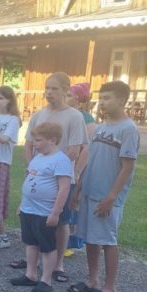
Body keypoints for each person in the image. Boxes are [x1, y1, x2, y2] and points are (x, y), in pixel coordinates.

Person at [68, 81, 139, 292]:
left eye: (108, 98)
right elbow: (91, 159)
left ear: (122, 100)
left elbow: (127, 167)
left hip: (107, 197)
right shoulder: (101, 128)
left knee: (107, 240)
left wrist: (111, 197)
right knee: (91, 238)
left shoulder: (128, 129)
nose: (103, 102)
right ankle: (92, 280)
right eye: (101, 98)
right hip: (90, 191)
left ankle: (110, 288)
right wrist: (79, 187)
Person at [22, 72, 88, 282]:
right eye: (47, 88)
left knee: (60, 221)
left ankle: (58, 263)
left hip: (61, 178)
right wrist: (32, 167)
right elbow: (28, 144)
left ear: (65, 90)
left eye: (54, 88)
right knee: (34, 219)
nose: (49, 92)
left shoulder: (74, 116)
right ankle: (35, 263)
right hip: (37, 177)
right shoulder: (39, 115)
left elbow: (74, 149)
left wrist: (53, 168)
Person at [9, 122, 72, 292]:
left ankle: (46, 279)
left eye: (38, 140)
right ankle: (31, 274)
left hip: (45, 211)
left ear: (52, 140)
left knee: (47, 246)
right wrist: (22, 204)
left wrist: (55, 212)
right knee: (30, 242)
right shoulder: (37, 158)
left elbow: (64, 188)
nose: (34, 144)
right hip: (28, 209)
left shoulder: (61, 160)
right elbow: (29, 181)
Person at [0, 86, 21, 249]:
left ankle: (3, 235)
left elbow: (4, 139)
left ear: (9, 100)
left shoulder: (13, 120)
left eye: (1, 98)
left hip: (1, 162)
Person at [66, 82, 97, 253]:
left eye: (69, 95)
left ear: (78, 99)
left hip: (77, 167)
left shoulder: (86, 118)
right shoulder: (65, 114)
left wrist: (77, 171)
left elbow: (87, 148)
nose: (65, 98)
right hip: (64, 164)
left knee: (73, 200)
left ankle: (71, 241)